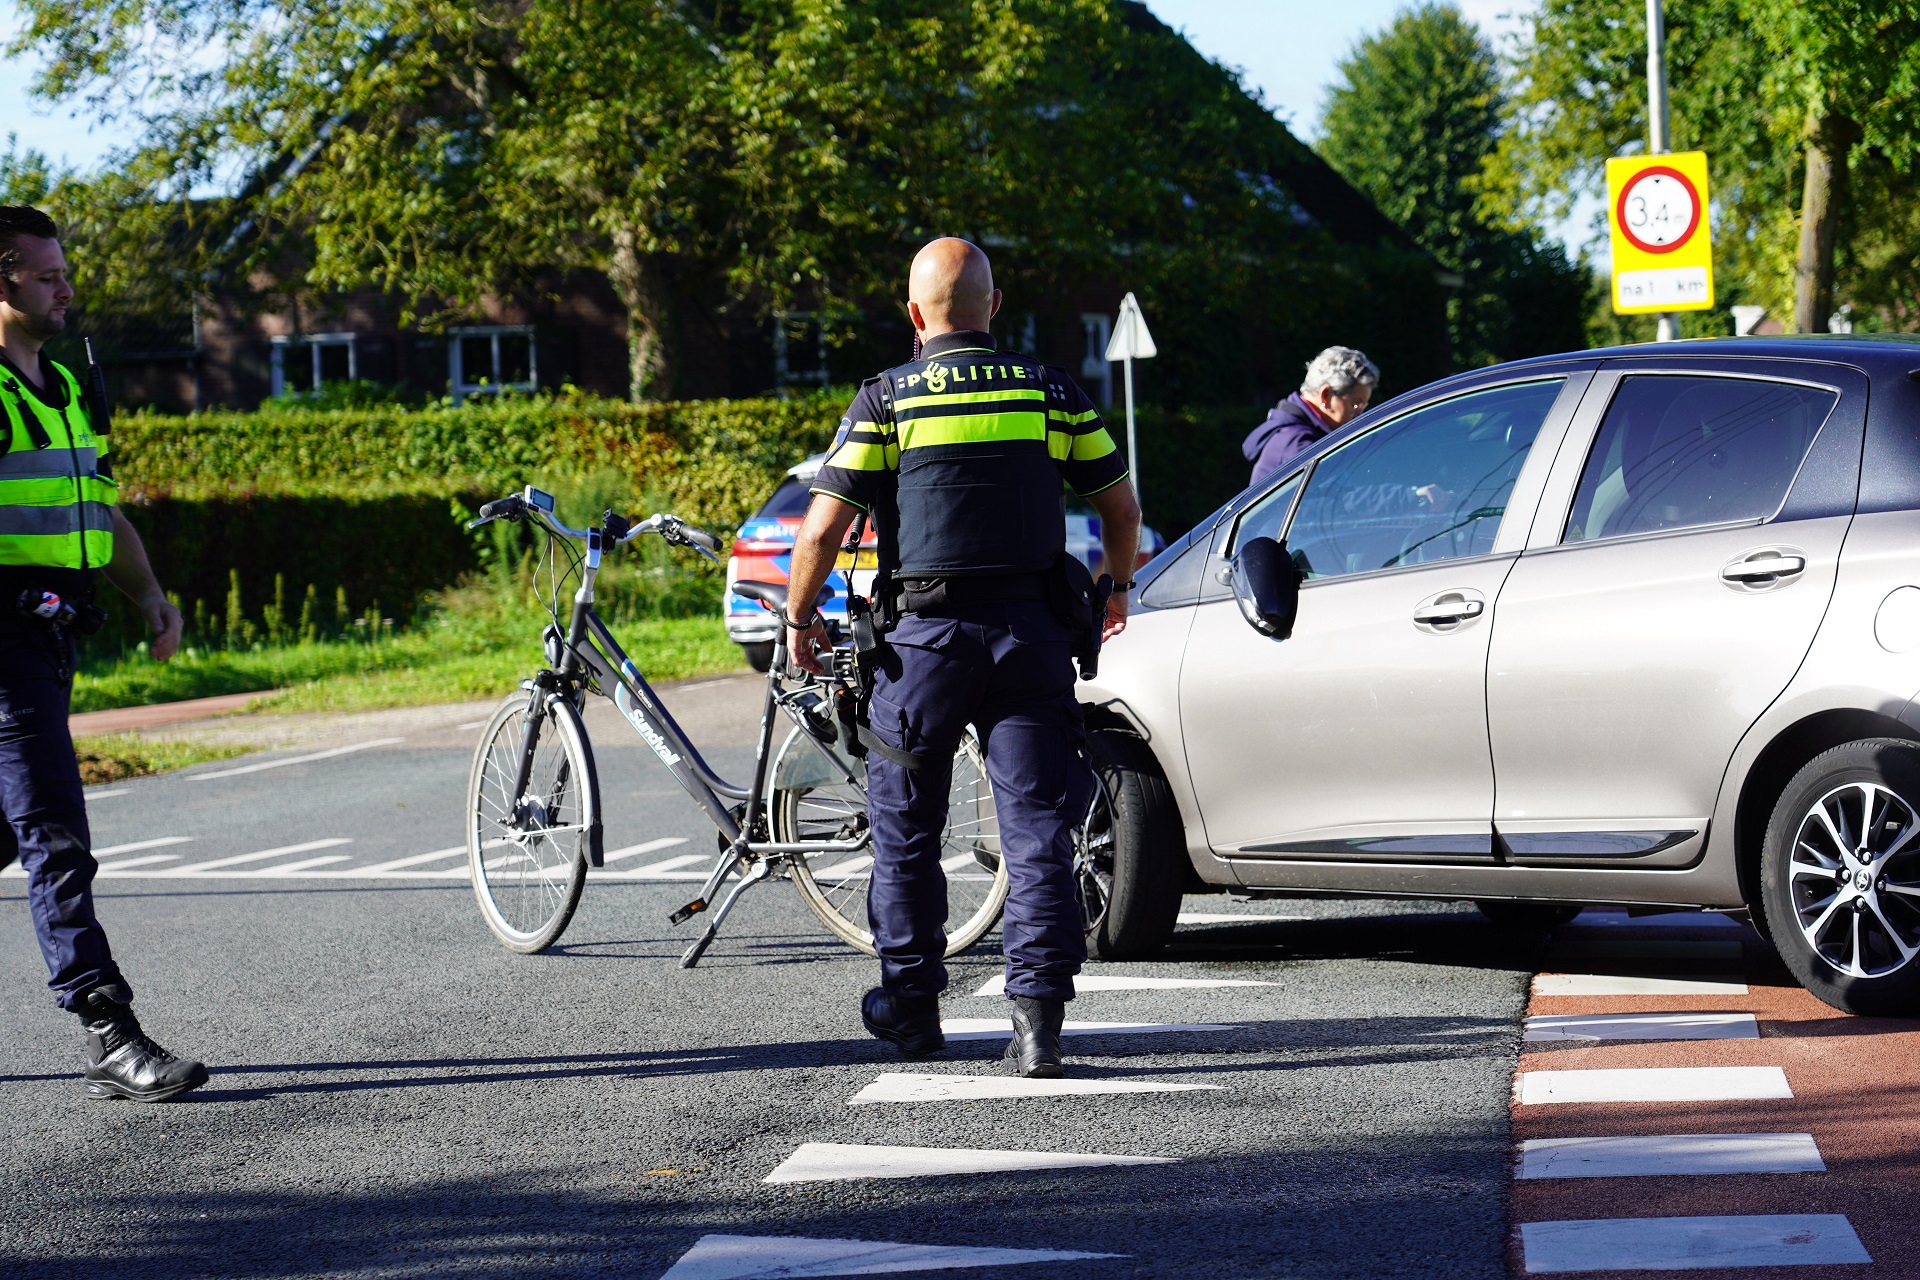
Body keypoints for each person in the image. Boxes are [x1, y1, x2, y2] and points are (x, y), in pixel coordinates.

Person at [782, 238, 1142, 1078]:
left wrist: (799, 618)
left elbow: (826, 529)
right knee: (1037, 832)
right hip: (1031, 641)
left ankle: (912, 1012)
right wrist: (1116, 589)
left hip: (922, 652)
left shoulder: (887, 400)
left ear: (914, 315)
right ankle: (1038, 1025)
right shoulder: (1049, 393)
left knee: (907, 833)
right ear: (995, 305)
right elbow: (1118, 504)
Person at [0, 205, 207, 1102]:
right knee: (54, 834)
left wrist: (150, 594)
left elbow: (102, 510)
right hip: (1, 638)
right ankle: (107, 1028)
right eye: (46, 276)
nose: (66, 287)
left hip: (52, 633)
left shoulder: (69, 384)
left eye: (63, 271)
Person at [1243, 345, 1379, 484]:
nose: (1360, 413)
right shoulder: (1297, 443)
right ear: (1326, 395)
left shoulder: (1304, 433)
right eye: (1355, 404)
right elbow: (1342, 495)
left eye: (1364, 404)